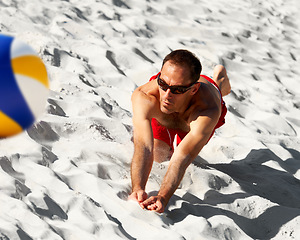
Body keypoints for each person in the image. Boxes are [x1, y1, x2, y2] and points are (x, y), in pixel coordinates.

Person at [128, 49, 231, 213]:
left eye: (177, 90)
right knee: (158, 155)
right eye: (162, 84)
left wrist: (163, 196)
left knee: (215, 87)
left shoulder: (208, 110)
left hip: (193, 117)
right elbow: (143, 146)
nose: (167, 95)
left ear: (193, 89)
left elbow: (181, 159)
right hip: (165, 116)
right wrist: (137, 188)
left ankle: (219, 80)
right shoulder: (146, 96)